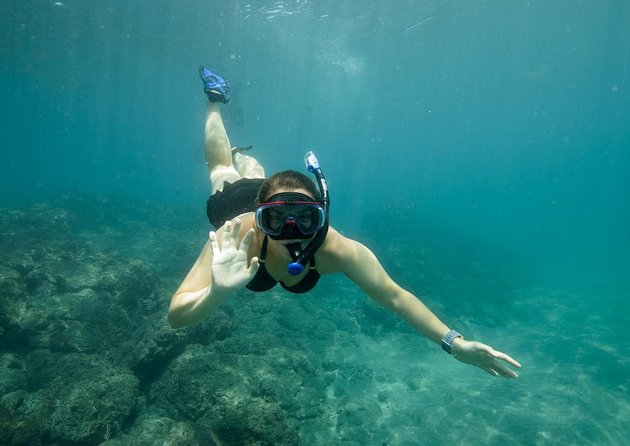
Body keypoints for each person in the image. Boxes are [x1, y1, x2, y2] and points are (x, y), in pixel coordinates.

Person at [168, 66, 522, 378]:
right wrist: (217, 291)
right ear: (261, 218)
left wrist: (454, 344)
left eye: (305, 219)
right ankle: (215, 99)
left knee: (253, 174)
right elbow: (176, 316)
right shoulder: (235, 235)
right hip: (242, 201)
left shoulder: (336, 249)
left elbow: (396, 298)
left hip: (266, 194)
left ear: (320, 216)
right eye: (276, 220)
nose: (291, 231)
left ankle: (249, 163)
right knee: (220, 171)